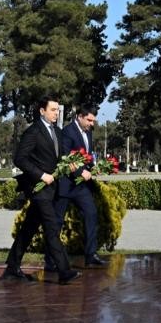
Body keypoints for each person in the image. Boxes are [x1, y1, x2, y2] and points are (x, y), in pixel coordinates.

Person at [3, 97, 80, 285]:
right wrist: (41, 175)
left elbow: (59, 157)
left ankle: (12, 266)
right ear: (42, 111)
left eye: (58, 110)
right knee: (51, 227)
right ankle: (64, 271)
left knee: (29, 227)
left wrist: (70, 164)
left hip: (52, 188)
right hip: (38, 188)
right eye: (53, 110)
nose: (56, 113)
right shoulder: (33, 132)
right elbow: (20, 159)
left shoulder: (58, 132)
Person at [49, 107, 106, 269]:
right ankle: (51, 259)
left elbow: (88, 156)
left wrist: (94, 168)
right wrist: (81, 172)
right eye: (89, 120)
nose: (91, 123)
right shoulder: (67, 132)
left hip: (81, 186)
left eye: (93, 120)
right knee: (57, 222)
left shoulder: (88, 132)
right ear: (79, 116)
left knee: (91, 213)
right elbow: (66, 157)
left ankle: (90, 255)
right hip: (65, 185)